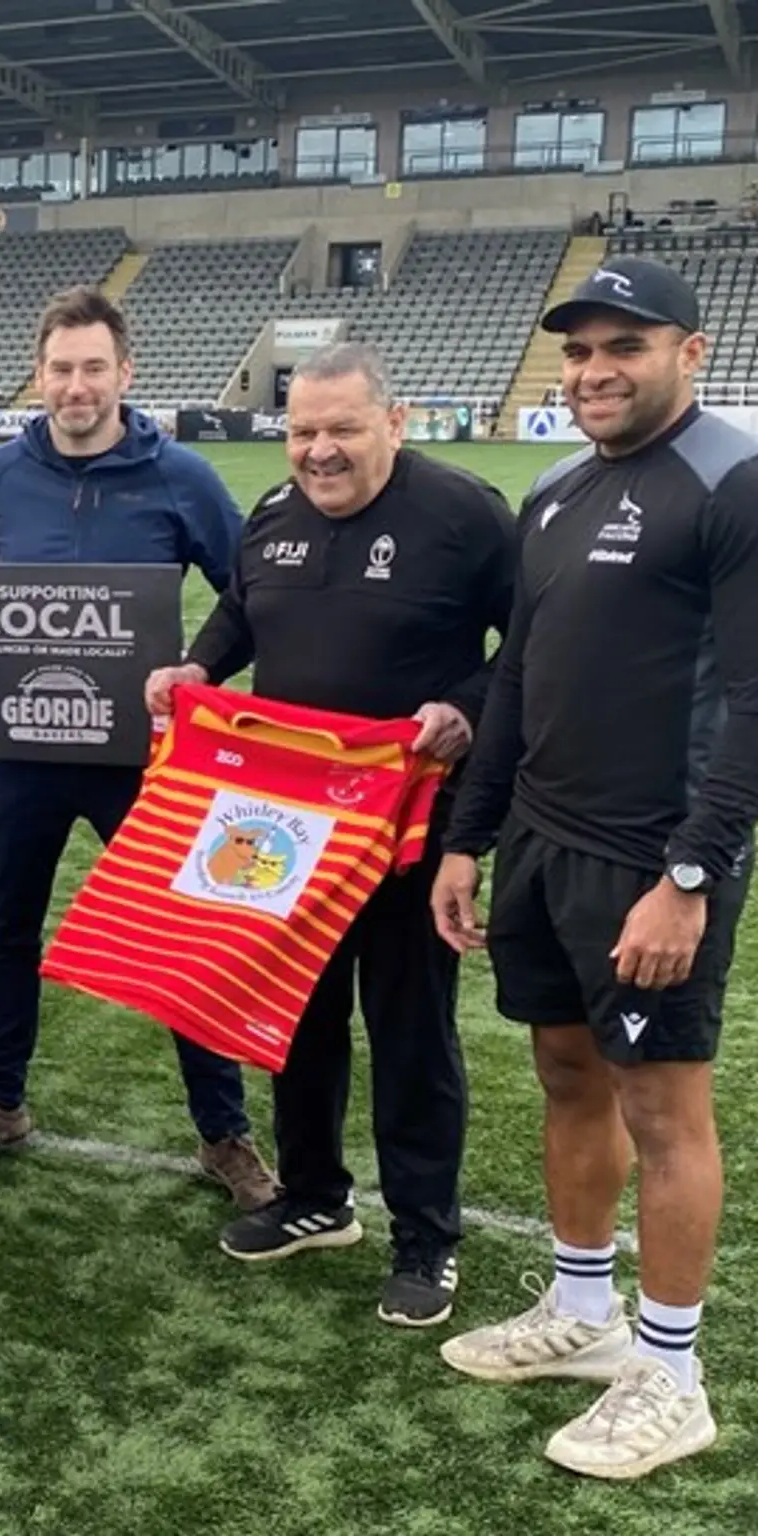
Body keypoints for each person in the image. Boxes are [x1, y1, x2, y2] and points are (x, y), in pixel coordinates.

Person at [431, 256, 758, 1477]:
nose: (592, 371)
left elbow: (751, 699)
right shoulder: (558, 490)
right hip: (540, 842)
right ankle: (580, 1313)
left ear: (690, 350)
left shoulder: (731, 481)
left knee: (662, 1107)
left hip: (652, 855)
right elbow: (514, 677)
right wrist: (467, 836)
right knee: (567, 1073)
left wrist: (689, 874)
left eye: (623, 345)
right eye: (575, 350)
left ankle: (670, 1375)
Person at [140, 340, 515, 1326]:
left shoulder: (465, 514)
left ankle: (425, 1239)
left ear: (393, 422)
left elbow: (525, 649)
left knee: (407, 1031)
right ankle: (314, 1199)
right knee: (294, 1019)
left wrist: (465, 709)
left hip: (406, 826)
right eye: (301, 431)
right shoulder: (269, 516)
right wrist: (196, 669)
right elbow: (240, 610)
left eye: (340, 429)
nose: (317, 452)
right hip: (285, 827)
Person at [0, 286, 270, 1191]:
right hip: (20, 751)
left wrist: (196, 670)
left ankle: (221, 1130)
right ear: (40, 375)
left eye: (93, 368)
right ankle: (0, 1098)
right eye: (62, 369)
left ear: (125, 373)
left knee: (183, 933)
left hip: (142, 758)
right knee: (7, 928)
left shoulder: (180, 475)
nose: (77, 386)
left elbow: (248, 596)